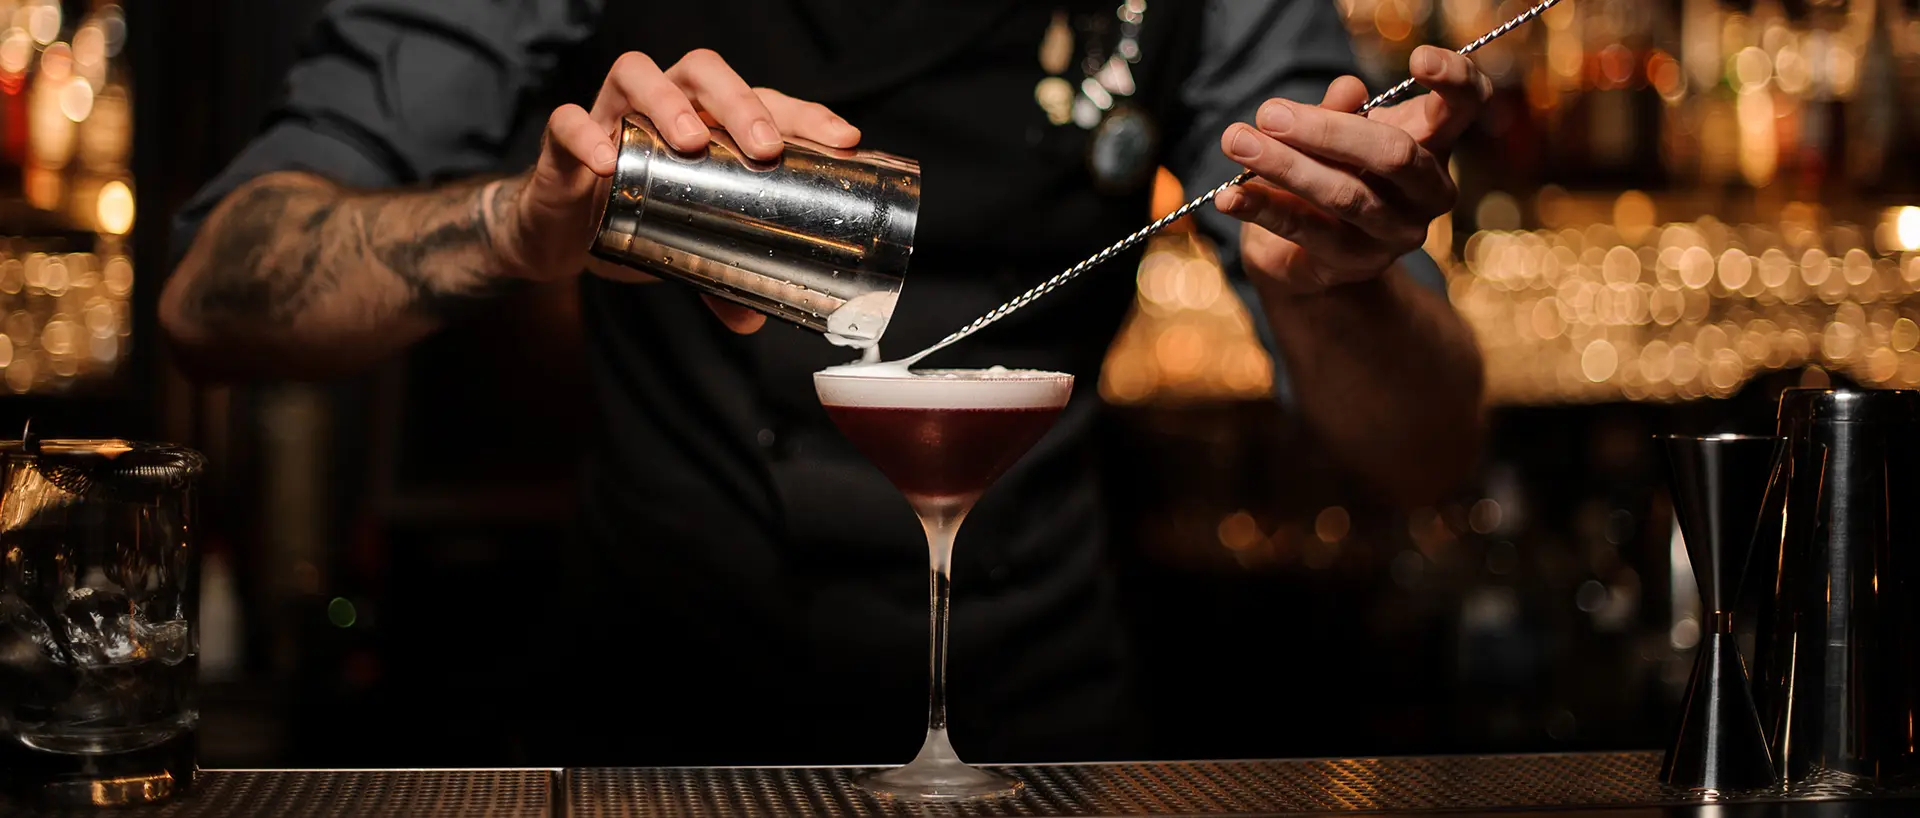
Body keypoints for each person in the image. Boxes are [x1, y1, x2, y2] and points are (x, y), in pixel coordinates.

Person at [162, 0, 1488, 765]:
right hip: (662, 711)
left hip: (1043, 715)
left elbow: (1425, 454)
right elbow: (214, 290)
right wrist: (524, 220)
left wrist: (1342, 279)